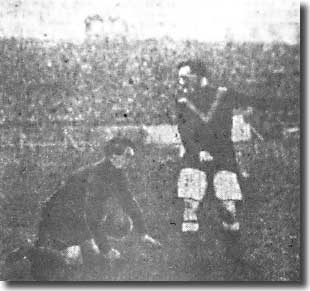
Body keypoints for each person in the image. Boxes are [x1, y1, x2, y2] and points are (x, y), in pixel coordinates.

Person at [175, 60, 262, 261]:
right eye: (179, 77)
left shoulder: (224, 94)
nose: (181, 81)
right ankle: (193, 260)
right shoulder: (181, 100)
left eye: (185, 77)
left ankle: (234, 253)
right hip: (194, 155)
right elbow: (184, 132)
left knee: (228, 207)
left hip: (223, 155)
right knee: (190, 204)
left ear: (199, 76)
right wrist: (198, 152)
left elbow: (256, 101)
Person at [36, 137, 161, 265]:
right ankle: (34, 252)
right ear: (113, 156)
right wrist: (106, 250)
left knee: (96, 253)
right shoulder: (97, 176)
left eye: (131, 156)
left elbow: (129, 201)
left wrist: (142, 233)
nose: (130, 160)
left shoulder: (117, 173)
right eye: (127, 156)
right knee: (75, 262)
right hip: (60, 218)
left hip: (76, 216)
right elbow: (91, 216)